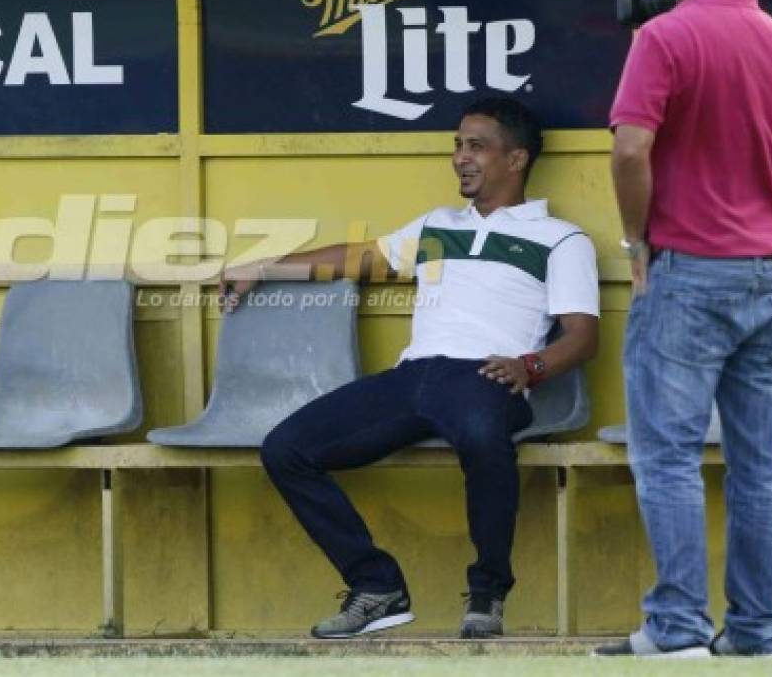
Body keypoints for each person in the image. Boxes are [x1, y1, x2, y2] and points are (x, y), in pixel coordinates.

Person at [222, 97, 599, 639]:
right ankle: (376, 585)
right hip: (413, 376)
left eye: (477, 146)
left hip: (486, 375)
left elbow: (583, 336)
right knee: (287, 447)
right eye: (457, 145)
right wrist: (263, 266)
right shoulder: (437, 225)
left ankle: (488, 594)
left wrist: (531, 366)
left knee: (483, 436)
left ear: (515, 160)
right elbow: (361, 258)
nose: (460, 158)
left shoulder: (561, 238)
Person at [596, 0, 772, 659]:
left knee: (669, 456)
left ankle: (678, 629)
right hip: (768, 279)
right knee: (759, 465)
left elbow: (629, 151)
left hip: (687, 273)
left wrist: (636, 238)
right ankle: (755, 636)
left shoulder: (664, 35)